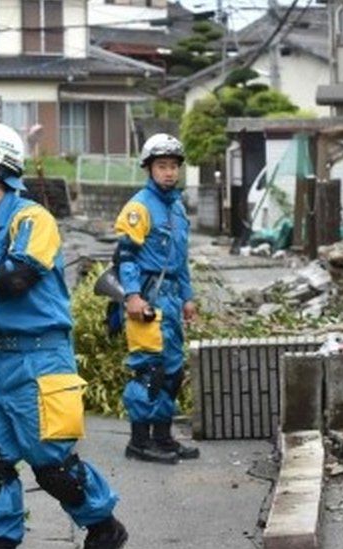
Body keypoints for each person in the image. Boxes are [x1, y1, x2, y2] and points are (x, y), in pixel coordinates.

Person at [0, 122, 128, 549]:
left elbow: (15, 280)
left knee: (51, 466)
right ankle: (0, 540)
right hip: (0, 362)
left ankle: (103, 526)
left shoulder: (32, 219)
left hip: (43, 362)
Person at [112, 133, 199, 464]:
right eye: (162, 166)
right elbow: (126, 256)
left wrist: (188, 297)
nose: (169, 172)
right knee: (150, 371)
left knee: (173, 372)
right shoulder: (139, 207)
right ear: (148, 169)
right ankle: (138, 442)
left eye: (174, 166)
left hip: (173, 297)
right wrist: (132, 296)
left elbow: (181, 259)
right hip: (147, 297)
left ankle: (162, 439)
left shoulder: (176, 207)